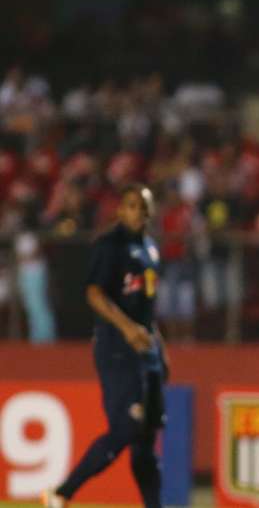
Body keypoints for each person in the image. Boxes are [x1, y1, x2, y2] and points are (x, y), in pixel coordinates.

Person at [42, 184, 168, 507]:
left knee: (146, 439)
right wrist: (126, 328)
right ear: (119, 210)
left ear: (150, 212)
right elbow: (94, 293)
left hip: (147, 350)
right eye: (130, 206)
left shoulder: (151, 250)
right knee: (127, 427)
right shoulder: (110, 246)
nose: (137, 213)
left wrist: (160, 352)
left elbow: (148, 311)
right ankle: (62, 493)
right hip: (116, 347)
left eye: (143, 207)